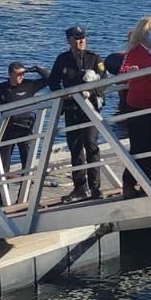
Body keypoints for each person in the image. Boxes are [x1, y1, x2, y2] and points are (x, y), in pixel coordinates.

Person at [48, 26, 107, 201]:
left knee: (91, 145)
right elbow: (53, 82)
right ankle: (80, 188)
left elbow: (105, 81)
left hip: (90, 109)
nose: (81, 41)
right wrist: (62, 94)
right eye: (77, 38)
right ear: (69, 41)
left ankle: (95, 188)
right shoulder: (62, 59)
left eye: (83, 38)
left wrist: (92, 92)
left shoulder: (93, 58)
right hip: (72, 109)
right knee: (75, 148)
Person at [118, 16, 151, 199]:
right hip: (140, 105)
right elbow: (123, 71)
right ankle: (129, 182)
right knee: (139, 146)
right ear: (142, 32)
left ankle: (147, 180)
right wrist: (130, 71)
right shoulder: (135, 52)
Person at [0, 61, 49, 204]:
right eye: (18, 74)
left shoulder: (29, 85)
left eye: (23, 74)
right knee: (3, 164)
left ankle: (24, 196)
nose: (21, 77)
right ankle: (0, 197)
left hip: (25, 129)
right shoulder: (2, 88)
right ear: (10, 74)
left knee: (28, 164)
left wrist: (37, 69)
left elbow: (51, 79)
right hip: (7, 129)